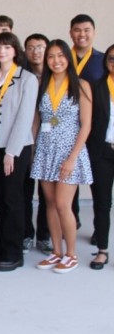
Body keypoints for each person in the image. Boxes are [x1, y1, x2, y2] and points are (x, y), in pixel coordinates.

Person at [32, 39, 92, 273]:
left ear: (68, 57)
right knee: (49, 203)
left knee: (63, 205)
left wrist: (72, 157)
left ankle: (71, 254)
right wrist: (33, 150)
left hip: (69, 151)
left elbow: (86, 125)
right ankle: (56, 251)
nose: (56, 61)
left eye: (60, 56)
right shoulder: (41, 84)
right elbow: (37, 121)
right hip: (46, 150)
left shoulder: (81, 85)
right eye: (51, 56)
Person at [0, 32, 38, 272]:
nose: (2, 51)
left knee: (13, 200)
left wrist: (11, 153)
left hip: (15, 146)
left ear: (15, 51)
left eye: (7, 47)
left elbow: (25, 118)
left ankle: (14, 252)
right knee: (1, 199)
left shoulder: (27, 78)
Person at [69, 14, 104, 235]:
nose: (82, 34)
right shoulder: (62, 58)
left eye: (86, 30)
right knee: (67, 181)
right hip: (67, 130)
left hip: (95, 130)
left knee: (99, 186)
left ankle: (100, 233)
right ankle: (72, 222)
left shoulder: (103, 60)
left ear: (93, 32)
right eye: (77, 30)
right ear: (70, 32)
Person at [22, 34, 52, 255]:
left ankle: (44, 235)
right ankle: (25, 234)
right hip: (27, 141)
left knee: (47, 194)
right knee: (24, 191)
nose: (35, 52)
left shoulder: (56, 77)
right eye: (30, 48)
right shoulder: (22, 76)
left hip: (52, 143)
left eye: (40, 47)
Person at [87, 45, 114, 270]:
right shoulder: (96, 88)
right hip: (102, 152)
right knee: (102, 203)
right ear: (106, 62)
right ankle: (103, 250)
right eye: (112, 59)